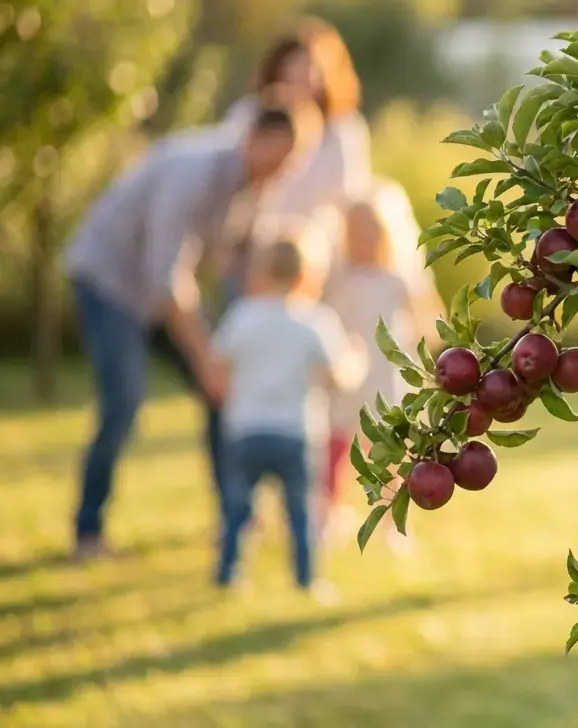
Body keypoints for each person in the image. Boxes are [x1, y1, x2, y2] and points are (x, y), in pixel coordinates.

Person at [64, 105, 300, 560]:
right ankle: (87, 533)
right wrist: (206, 359)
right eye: (281, 156)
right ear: (254, 137)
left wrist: (238, 352)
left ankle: (235, 517)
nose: (284, 170)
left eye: (293, 160)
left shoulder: (252, 191)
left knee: (221, 392)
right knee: (124, 403)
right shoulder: (193, 170)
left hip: (155, 294)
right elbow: (166, 278)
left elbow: (246, 273)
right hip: (108, 282)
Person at [210, 237, 364, 592]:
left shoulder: (242, 316)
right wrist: (357, 356)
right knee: (301, 511)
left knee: (237, 507)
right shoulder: (314, 320)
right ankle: (307, 579)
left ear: (260, 273)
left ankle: (229, 573)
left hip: (245, 428)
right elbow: (341, 377)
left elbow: (217, 367)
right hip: (296, 430)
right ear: (307, 276)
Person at [320, 195, 436, 537]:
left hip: (387, 380)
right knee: (338, 447)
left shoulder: (395, 280)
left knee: (391, 453)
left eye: (371, 233)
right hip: (348, 378)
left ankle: (392, 520)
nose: (364, 241)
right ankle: (328, 513)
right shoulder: (340, 282)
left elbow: (424, 322)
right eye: (355, 233)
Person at [221, 19, 371, 220]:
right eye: (293, 67)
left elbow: (349, 197)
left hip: (315, 239)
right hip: (252, 228)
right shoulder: (247, 114)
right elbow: (228, 171)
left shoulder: (343, 131)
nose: (302, 76)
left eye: (310, 68)